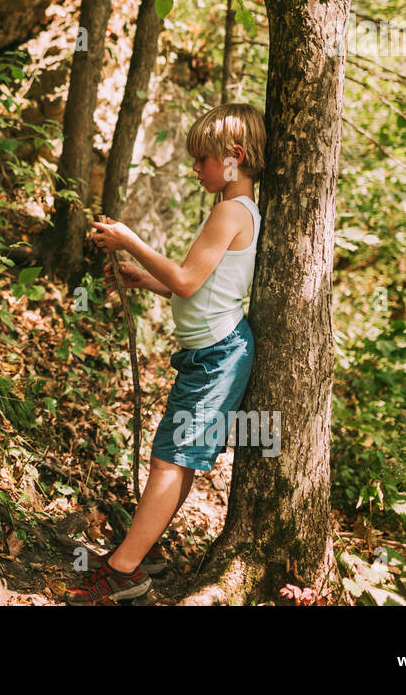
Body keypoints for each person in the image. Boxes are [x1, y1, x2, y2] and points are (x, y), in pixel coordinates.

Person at [70, 102, 267, 603]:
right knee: (175, 460)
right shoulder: (237, 210)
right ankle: (142, 553)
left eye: (202, 159)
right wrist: (144, 280)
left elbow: (185, 279)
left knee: (169, 461)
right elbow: (203, 287)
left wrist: (129, 240)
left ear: (234, 157)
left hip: (217, 358)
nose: (195, 168)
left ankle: (124, 572)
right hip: (210, 354)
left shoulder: (230, 211)